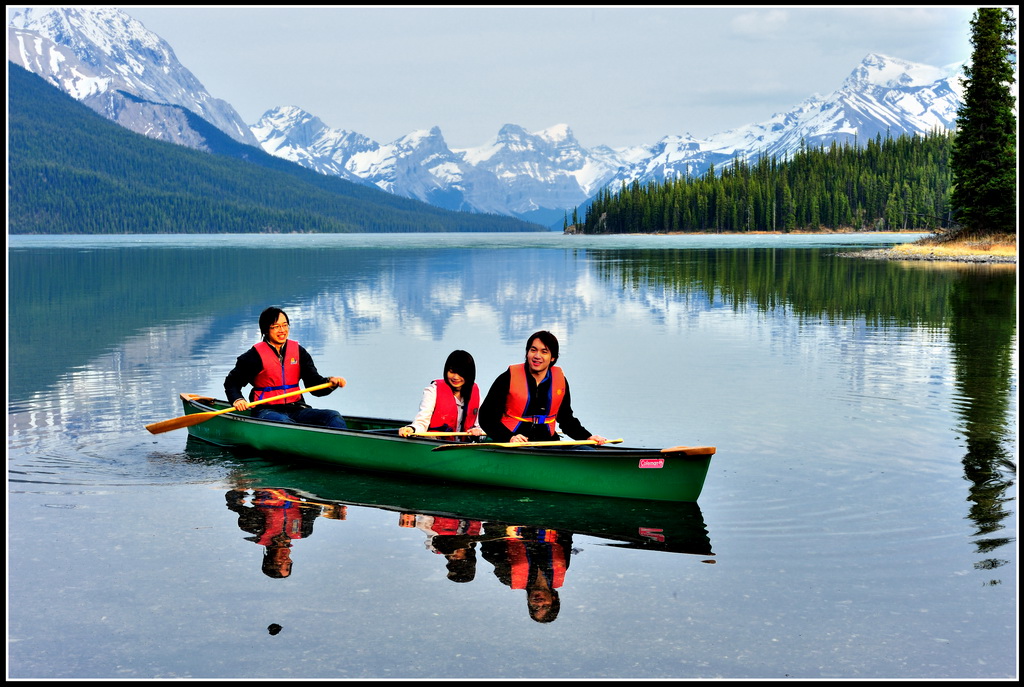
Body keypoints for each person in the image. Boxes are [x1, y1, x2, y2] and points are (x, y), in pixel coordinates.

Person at [224, 306, 347, 429]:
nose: (282, 330)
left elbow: (314, 385)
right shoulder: (253, 356)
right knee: (285, 423)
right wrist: (238, 399)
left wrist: (330, 383)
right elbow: (232, 383)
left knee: (333, 416)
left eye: (285, 325)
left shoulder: (299, 352)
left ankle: (341, 443)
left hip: (296, 408)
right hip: (266, 411)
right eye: (276, 326)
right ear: (266, 329)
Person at [478, 330, 607, 445]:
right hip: (512, 442)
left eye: (544, 352)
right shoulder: (507, 378)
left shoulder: (560, 380)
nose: (537, 356)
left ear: (553, 358)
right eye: (533, 350)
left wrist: (587, 437)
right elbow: (486, 417)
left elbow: (566, 420)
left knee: (585, 450)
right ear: (527, 353)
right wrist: (509, 437)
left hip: (547, 441)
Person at [398, 349, 485, 440]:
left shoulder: (475, 394)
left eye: (461, 374)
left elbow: (480, 426)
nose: (455, 377)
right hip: (434, 442)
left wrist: (477, 431)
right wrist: (412, 429)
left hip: (462, 444)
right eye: (451, 372)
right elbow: (422, 421)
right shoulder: (433, 390)